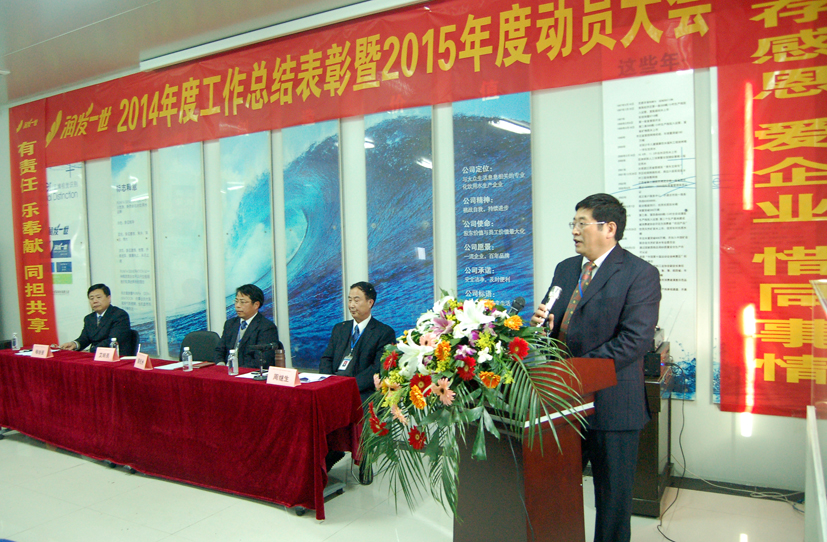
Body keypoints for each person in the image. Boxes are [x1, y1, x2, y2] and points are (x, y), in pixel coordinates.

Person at [531, 193, 661, 542]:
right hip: (564, 403)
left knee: (612, 501)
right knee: (556, 489)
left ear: (609, 228)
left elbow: (634, 341)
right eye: (573, 223)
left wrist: (574, 371)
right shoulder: (566, 268)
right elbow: (553, 325)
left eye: (581, 223)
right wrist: (542, 328)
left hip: (613, 404)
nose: (574, 231)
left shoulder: (640, 274)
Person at [320, 281, 396, 483]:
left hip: (363, 390)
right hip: (335, 386)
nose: (351, 305)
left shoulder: (383, 332)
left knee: (362, 408)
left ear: (370, 303)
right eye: (349, 300)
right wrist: (328, 382)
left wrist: (347, 387)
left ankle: (365, 460)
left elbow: (378, 368)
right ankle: (329, 454)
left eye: (357, 300)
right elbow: (326, 358)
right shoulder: (340, 328)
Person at [215, 284, 280, 368]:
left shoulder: (266, 327)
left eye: (242, 302)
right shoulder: (230, 324)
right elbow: (219, 350)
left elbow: (262, 359)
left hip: (248, 372)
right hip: (227, 371)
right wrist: (221, 365)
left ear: (256, 305)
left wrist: (238, 371)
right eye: (236, 301)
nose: (237, 305)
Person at [59, 284, 132, 353]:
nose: (95, 301)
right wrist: (75, 344)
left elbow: (112, 341)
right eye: (91, 298)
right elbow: (85, 338)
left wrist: (89, 351)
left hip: (115, 356)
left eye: (98, 297)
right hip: (95, 355)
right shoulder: (89, 318)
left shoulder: (119, 315)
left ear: (109, 298)